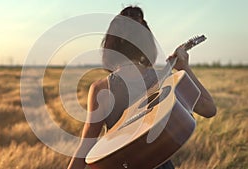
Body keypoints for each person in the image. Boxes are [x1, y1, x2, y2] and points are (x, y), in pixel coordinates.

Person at [67, 6, 216, 169]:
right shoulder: (163, 80)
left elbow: (84, 149)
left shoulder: (101, 88)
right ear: (147, 43)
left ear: (111, 45)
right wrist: (183, 67)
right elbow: (208, 108)